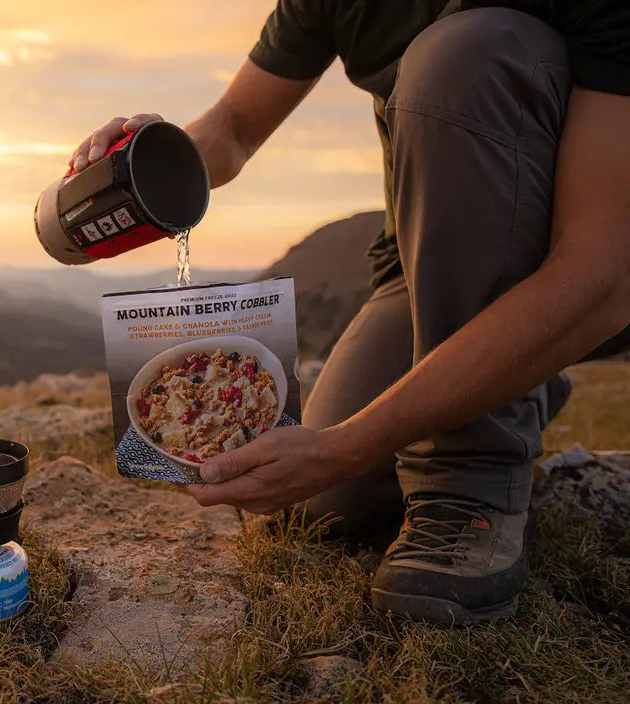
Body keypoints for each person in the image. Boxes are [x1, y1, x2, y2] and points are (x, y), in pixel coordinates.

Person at [69, 0, 630, 625]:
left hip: (582, 261)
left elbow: (602, 278)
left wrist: (344, 445)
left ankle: (470, 482)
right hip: (423, 268)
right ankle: (512, 378)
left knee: (466, 52)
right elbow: (233, 128)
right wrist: (158, 156)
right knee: (328, 505)